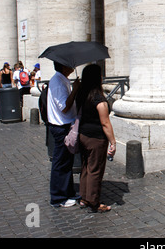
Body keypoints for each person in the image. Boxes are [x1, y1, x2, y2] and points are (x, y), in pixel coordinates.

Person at [76, 64, 116, 213]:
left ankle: (84, 197)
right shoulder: (99, 100)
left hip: (83, 135)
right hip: (96, 138)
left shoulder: (81, 94)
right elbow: (105, 123)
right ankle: (94, 201)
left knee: (86, 167)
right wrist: (113, 141)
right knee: (95, 170)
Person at [48, 61, 80, 207]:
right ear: (63, 66)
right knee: (61, 163)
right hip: (61, 127)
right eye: (69, 64)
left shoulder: (61, 80)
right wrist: (75, 90)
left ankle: (68, 192)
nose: (72, 66)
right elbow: (64, 108)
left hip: (64, 125)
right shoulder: (58, 82)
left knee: (66, 162)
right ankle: (58, 197)